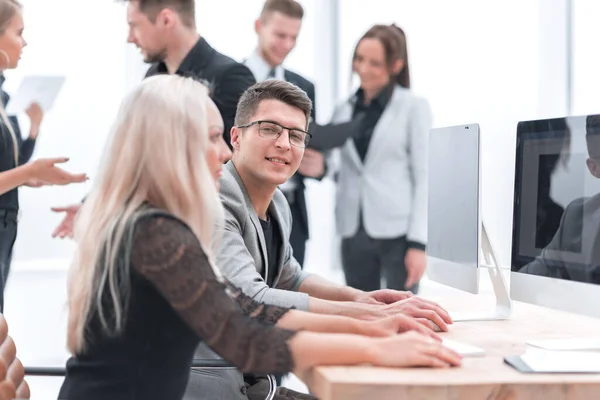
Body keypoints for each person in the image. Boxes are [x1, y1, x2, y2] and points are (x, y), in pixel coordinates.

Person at [58, 75, 461, 400]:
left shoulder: (148, 222)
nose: (223, 152)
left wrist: (367, 313)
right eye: (213, 137)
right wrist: (375, 340)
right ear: (173, 145)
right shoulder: (159, 234)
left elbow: (261, 297)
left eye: (296, 136)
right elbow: (245, 332)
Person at [188, 79, 453, 400]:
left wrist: (360, 299)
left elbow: (291, 277)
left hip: (255, 384)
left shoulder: (279, 204)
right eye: (269, 129)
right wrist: (371, 322)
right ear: (236, 137)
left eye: (296, 135)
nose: (284, 143)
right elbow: (254, 300)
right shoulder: (216, 201)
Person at [51, 0, 257, 234]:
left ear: (167, 19)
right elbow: (136, 152)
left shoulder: (231, 77)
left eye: (135, 25)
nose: (130, 37)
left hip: (214, 226)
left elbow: (237, 164)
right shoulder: (152, 78)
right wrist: (93, 206)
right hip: (157, 224)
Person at [329, 24, 431, 293]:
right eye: (359, 59)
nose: (363, 68)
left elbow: (425, 178)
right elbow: (335, 165)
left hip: (398, 233)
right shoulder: (343, 109)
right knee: (361, 315)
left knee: (403, 312)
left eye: (374, 63)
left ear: (395, 65)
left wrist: (418, 244)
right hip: (353, 230)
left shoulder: (413, 108)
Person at [0, 0, 87, 311]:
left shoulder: (4, 96)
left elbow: (13, 166)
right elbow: (19, 171)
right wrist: (27, 173)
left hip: (7, 225)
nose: (24, 42)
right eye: (18, 32)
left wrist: (34, 129)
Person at [244, 0, 324, 267]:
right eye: (280, 35)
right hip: (245, 208)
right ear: (258, 26)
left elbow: (310, 141)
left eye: (294, 37)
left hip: (292, 213)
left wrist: (320, 167)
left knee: (293, 290)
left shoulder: (305, 86)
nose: (287, 44)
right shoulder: (232, 79)